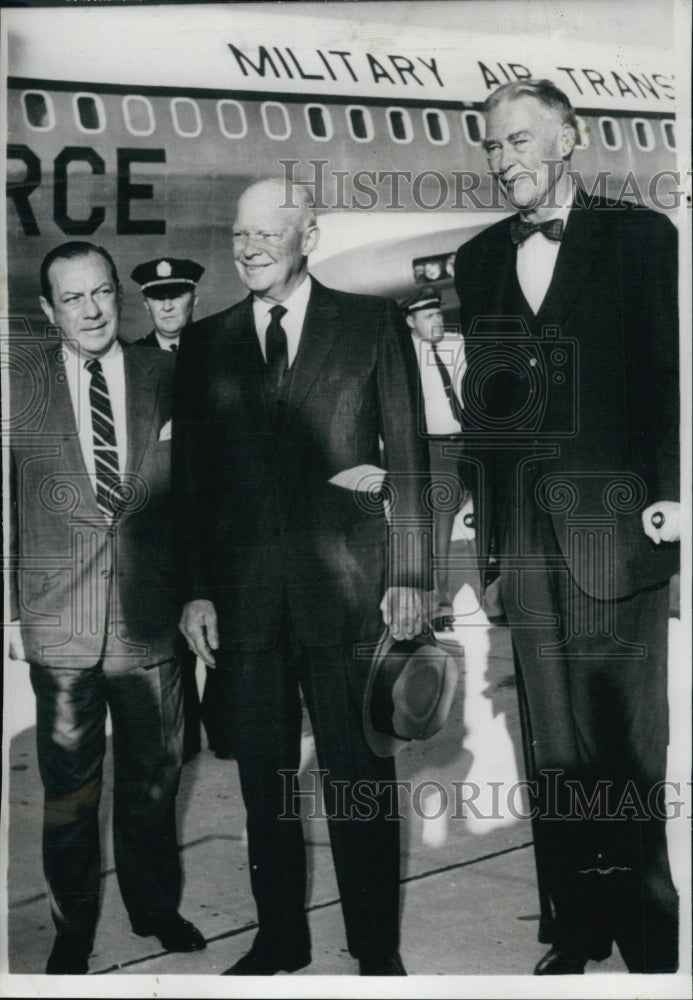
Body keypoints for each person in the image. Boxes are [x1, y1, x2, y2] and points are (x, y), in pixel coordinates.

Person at [172, 178, 431, 976]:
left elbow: (411, 463)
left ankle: (374, 949)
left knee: (358, 782)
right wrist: (194, 589)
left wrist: (414, 573)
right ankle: (279, 936)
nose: (249, 248)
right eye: (239, 235)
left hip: (349, 597)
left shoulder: (370, 324)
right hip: (246, 606)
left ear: (306, 236)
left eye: (267, 234)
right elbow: (190, 482)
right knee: (264, 785)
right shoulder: (207, 342)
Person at [454, 78, 680, 975]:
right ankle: (577, 924)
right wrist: (491, 545)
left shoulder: (639, 238)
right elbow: (486, 412)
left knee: (626, 747)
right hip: (531, 545)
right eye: (491, 147)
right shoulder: (477, 260)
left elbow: (673, 382)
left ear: (567, 138)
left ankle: (649, 931)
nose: (503, 159)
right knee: (553, 747)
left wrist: (677, 495)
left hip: (621, 534)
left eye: (516, 140)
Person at [8, 241, 205, 974]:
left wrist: (196, 593)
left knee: (154, 781)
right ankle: (72, 925)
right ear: (47, 310)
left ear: (117, 294)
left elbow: (194, 501)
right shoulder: (20, 381)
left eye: (101, 293)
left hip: (148, 619)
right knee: (68, 792)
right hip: (58, 620)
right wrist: (6, 614)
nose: (91, 310)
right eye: (72, 299)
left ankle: (155, 907)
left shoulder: (165, 372)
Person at [131, 256, 231, 761]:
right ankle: (183, 732)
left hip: (214, 517)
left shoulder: (221, 352)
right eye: (156, 295)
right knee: (170, 635)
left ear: (196, 298)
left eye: (177, 293)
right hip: (158, 523)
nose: (167, 303)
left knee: (224, 623)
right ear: (145, 301)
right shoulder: (129, 363)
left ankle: (225, 724)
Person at [401, 285, 467, 630]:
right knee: (440, 527)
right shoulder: (405, 356)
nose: (437, 320)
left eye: (439, 313)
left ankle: (497, 595)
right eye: (428, 316)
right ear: (411, 321)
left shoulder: (457, 345)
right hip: (436, 449)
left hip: (470, 444)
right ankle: (439, 603)